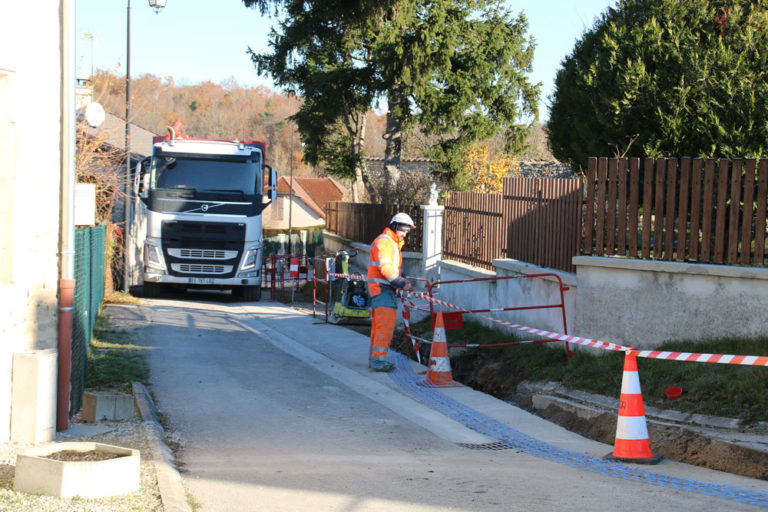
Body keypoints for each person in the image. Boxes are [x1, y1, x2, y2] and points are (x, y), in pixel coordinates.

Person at [367, 212, 415, 372]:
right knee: (385, 326)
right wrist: (401, 283)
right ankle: (378, 361)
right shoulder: (385, 242)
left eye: (407, 231)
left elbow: (392, 268)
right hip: (381, 288)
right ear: (395, 227)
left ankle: (375, 359)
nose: (405, 234)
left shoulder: (391, 243)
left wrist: (402, 278)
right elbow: (385, 268)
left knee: (379, 326)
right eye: (403, 230)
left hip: (383, 289)